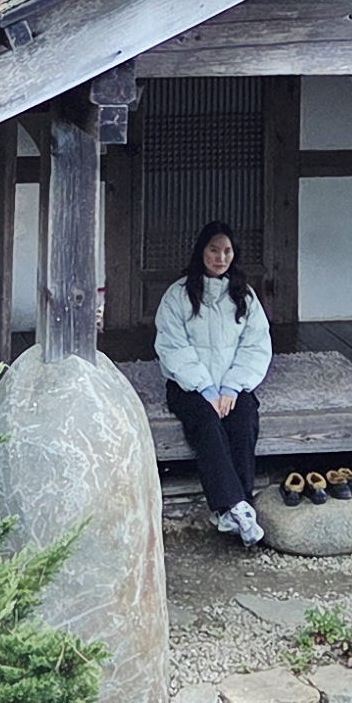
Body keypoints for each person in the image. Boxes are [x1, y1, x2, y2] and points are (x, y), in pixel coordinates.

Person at [154, 219, 273, 545]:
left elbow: (256, 345)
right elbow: (173, 347)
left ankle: (234, 508)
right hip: (188, 385)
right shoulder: (178, 295)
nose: (220, 257)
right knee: (206, 424)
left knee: (245, 419)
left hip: (231, 387)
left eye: (227, 251)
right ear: (201, 251)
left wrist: (232, 387)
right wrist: (205, 388)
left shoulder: (243, 296)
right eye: (213, 249)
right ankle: (236, 506)